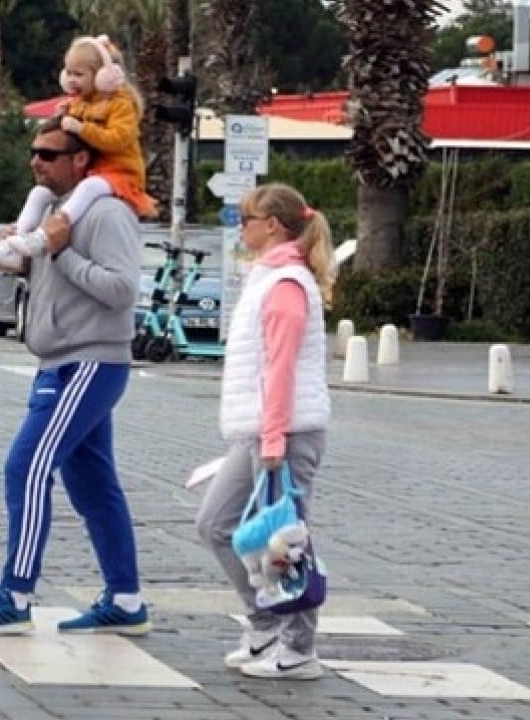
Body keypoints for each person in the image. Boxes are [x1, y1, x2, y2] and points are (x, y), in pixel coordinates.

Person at [0, 116, 149, 637]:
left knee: (27, 467)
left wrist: (61, 251)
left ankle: (15, 595)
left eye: (48, 153)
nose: (35, 160)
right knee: (93, 484)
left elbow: (123, 290)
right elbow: (57, 277)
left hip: (91, 360)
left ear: (81, 160)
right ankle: (125, 600)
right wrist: (24, 256)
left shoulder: (106, 213)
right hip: (56, 360)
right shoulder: (56, 213)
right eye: (33, 151)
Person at [193, 182, 335, 680]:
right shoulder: (267, 279)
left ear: (272, 225)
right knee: (215, 523)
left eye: (245, 219)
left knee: (285, 542)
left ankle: (299, 649)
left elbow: (281, 369)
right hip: (261, 430)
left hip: (285, 432)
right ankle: (264, 625)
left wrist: (272, 439)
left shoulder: (286, 285)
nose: (240, 227)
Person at [0, 34, 155, 273]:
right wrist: (61, 116)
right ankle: (14, 245)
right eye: (68, 73)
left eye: (79, 74)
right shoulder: (79, 102)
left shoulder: (121, 104)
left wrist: (81, 127)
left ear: (103, 75)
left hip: (120, 172)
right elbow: (68, 132)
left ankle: (46, 236)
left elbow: (118, 140)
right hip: (94, 170)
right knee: (38, 193)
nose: (71, 80)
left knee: (88, 189)